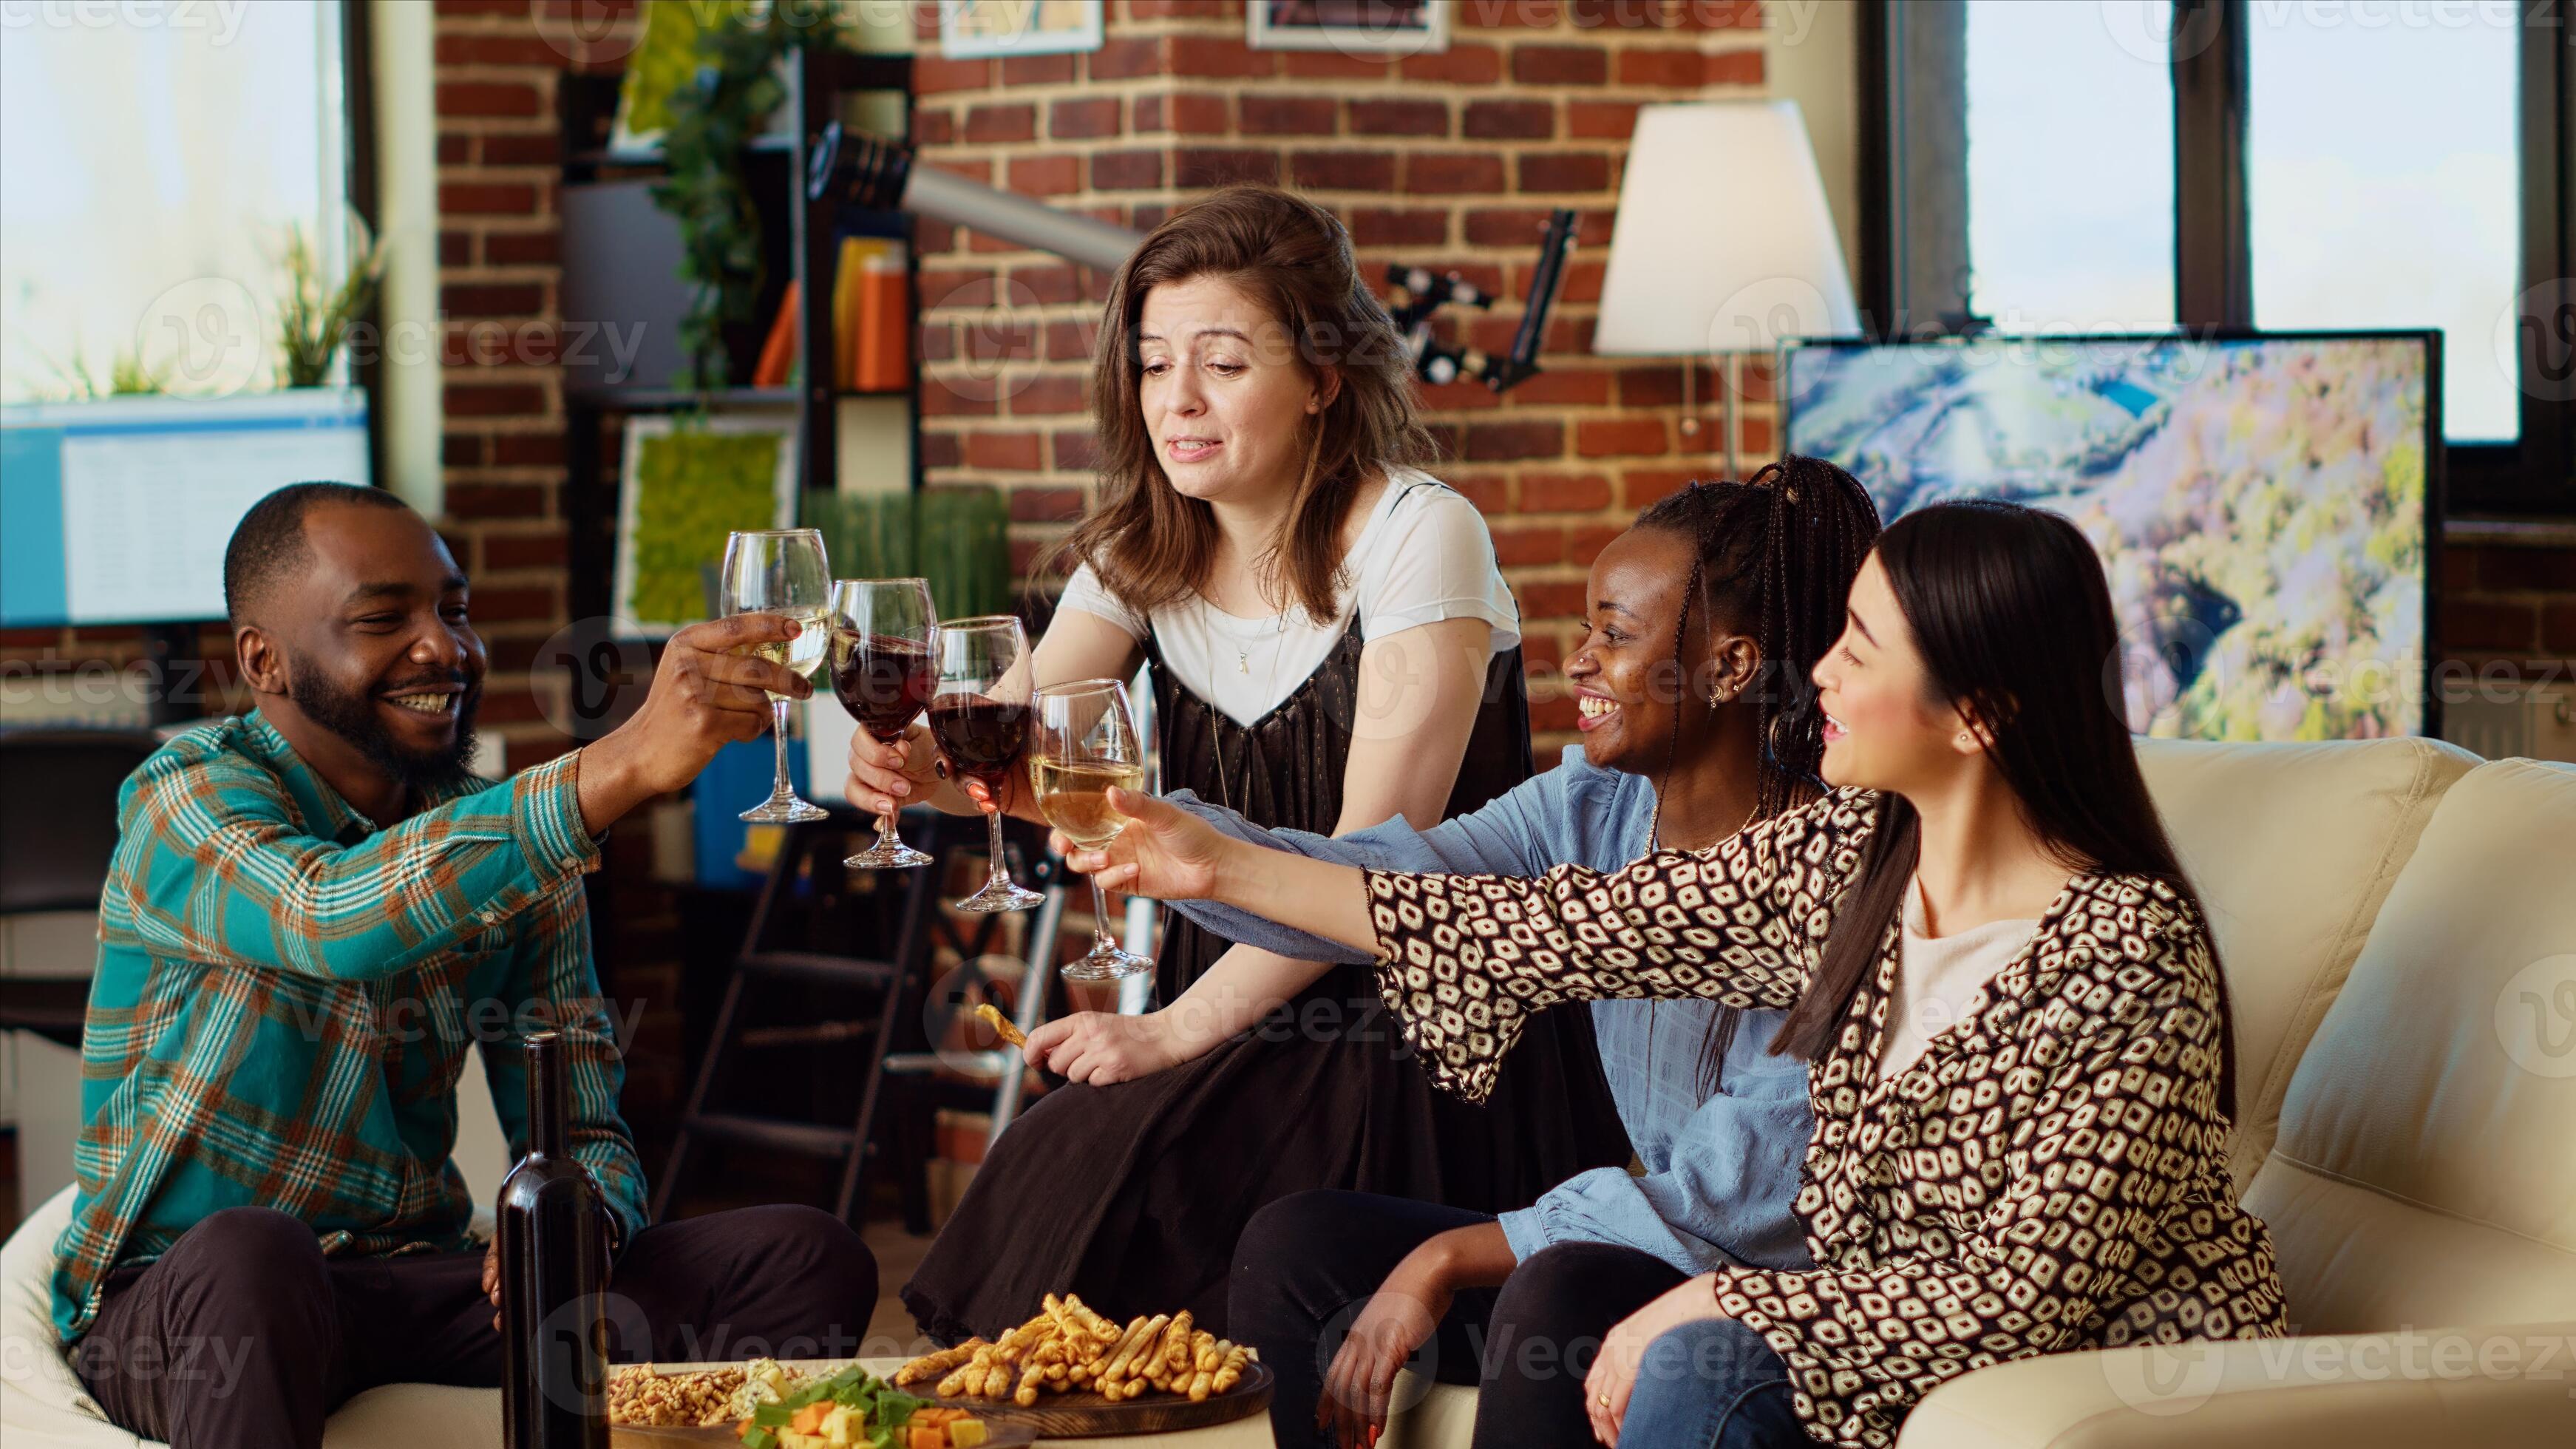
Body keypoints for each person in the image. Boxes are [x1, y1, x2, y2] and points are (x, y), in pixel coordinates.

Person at [1062, 500, 2290, 1449]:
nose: (1822, 675)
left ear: (1975, 713)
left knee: (1683, 1351)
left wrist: (1716, 1305)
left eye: (1860, 648)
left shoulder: (2120, 952)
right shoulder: (1852, 858)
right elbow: (1537, 928)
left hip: (2091, 1386)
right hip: (1864, 1351)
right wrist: (1207, 865)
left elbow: (2018, 1294)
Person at [850, 185, 1627, 1340]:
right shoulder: (1135, 547)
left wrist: (1168, 1034)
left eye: (1221, 362)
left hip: (1411, 1020)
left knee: (1142, 1201)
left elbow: (1378, 863)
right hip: (1224, 1000)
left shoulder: (1422, 533)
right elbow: (1014, 737)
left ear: (1321, 380)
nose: (1179, 400)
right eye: (1154, 364)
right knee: (1064, 1172)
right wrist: (907, 766)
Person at [58, 483, 879, 1449]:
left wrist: (588, 1222)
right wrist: (617, 765)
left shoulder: (510, 843)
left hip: (406, 1282)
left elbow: (580, 1127)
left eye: (454, 612)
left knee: (799, 1259)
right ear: (262, 659)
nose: (444, 647)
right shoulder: (183, 798)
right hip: (181, 1299)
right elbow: (334, 917)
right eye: (382, 619)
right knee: (254, 1249)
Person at [1100, 460, 1881, 1449]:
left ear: (1729, 668)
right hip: (1644, 1249)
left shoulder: (1834, 867)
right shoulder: (1589, 807)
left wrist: (1443, 1261)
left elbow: (1746, 1198)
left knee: (1557, 1289)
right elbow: (1382, 886)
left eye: (1617, 633)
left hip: (1775, 1296)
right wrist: (1182, 845)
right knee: (1301, 1246)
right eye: (1589, 628)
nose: (1580, 660)